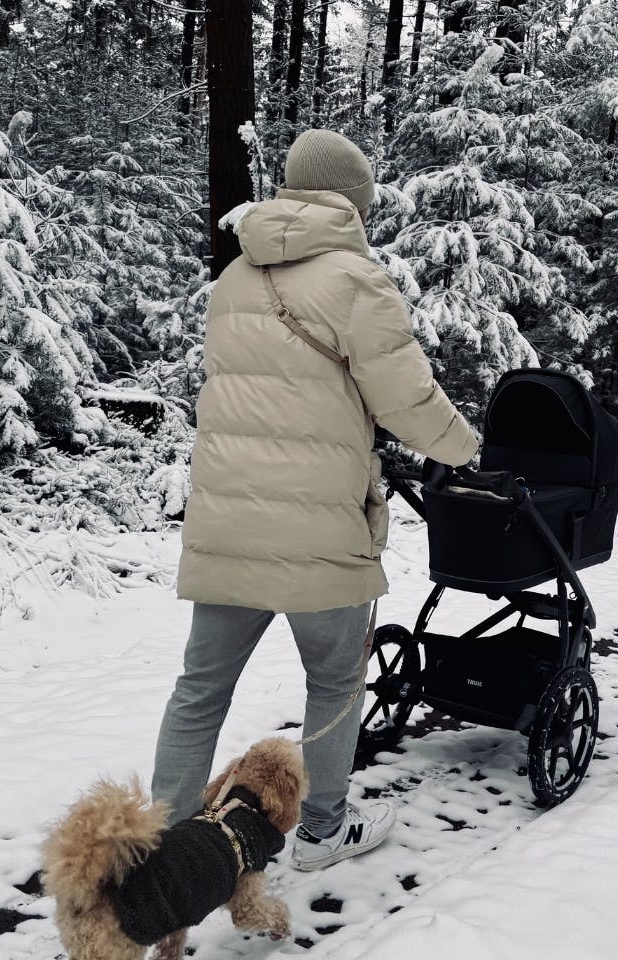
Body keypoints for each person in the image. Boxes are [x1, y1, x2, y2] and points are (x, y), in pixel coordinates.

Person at [152, 129, 479, 872]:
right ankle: (325, 833)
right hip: (319, 529)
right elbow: (406, 397)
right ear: (354, 201)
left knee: (199, 689)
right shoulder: (357, 280)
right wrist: (466, 449)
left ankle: (162, 850)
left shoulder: (235, 276)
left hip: (229, 521)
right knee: (334, 679)